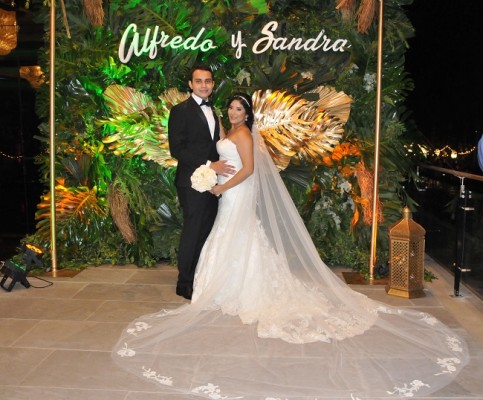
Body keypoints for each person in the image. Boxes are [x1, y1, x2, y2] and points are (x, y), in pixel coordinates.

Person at [113, 93, 470, 399]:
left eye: (240, 109)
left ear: (248, 113)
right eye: (232, 108)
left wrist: (221, 186)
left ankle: (239, 288)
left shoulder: (246, 136)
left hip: (236, 192)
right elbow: (214, 152)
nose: (235, 113)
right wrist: (210, 172)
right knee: (227, 237)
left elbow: (249, 169)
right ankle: (219, 287)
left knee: (240, 236)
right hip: (227, 194)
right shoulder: (227, 130)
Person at [168, 64, 234, 300]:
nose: (203, 85)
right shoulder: (180, 111)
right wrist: (209, 164)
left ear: (213, 84)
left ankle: (199, 277)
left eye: (207, 81)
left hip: (213, 184)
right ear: (190, 84)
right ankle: (184, 283)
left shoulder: (214, 111)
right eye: (199, 81)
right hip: (191, 183)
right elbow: (177, 149)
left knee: (206, 231)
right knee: (193, 231)